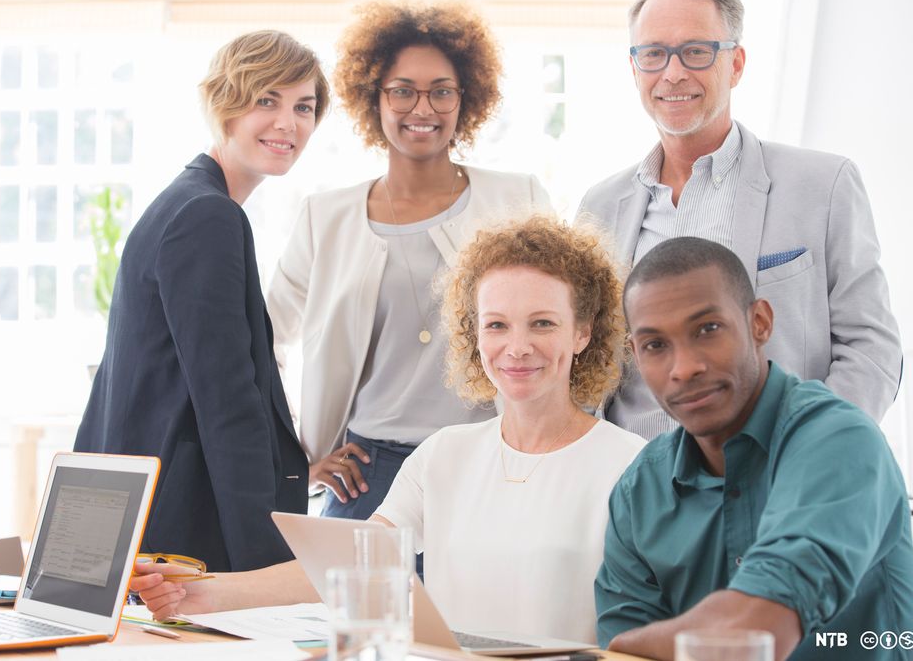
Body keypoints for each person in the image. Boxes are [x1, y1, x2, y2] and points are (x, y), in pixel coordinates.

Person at [133, 216, 644, 644]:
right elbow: (345, 569)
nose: (516, 347)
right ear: (473, 333)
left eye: (543, 323)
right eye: (496, 324)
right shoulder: (444, 455)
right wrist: (197, 593)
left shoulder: (630, 466)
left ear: (583, 331)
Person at [576, 0, 901, 439]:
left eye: (696, 51)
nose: (672, 73)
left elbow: (872, 348)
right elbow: (586, 358)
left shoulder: (822, 185)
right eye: (653, 54)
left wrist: (814, 450)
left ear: (736, 64)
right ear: (634, 69)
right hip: (635, 475)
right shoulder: (600, 205)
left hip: (775, 467)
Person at [266, 0, 551, 522]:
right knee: (348, 607)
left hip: (491, 464)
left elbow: (568, 328)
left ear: (467, 98)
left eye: (441, 92)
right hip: (368, 476)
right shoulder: (325, 217)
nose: (423, 110)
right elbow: (261, 342)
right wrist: (294, 465)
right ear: (373, 97)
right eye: (403, 91)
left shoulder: (519, 200)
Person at [74, 31, 329, 572]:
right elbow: (227, 400)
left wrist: (298, 464)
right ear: (224, 104)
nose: (289, 123)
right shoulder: (207, 216)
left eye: (303, 106)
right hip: (185, 531)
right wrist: (266, 573)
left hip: (148, 514)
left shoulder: (184, 203)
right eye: (267, 100)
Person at [594, 236, 913, 661]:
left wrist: (641, 645)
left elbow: (752, 634)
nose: (685, 367)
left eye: (707, 329)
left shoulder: (838, 441)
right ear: (635, 354)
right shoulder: (639, 491)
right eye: (656, 345)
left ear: (759, 323)